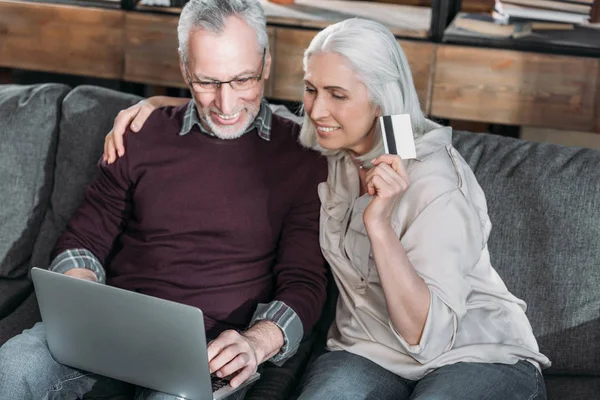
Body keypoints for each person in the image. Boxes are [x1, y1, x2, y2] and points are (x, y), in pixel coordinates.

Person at [103, 18, 551, 400]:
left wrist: (380, 225)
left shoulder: (436, 182)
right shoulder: (327, 145)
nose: (317, 110)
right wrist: (169, 105)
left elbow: (426, 338)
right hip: (366, 353)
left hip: (470, 353)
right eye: (311, 89)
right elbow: (248, 110)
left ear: (379, 99)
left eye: (337, 94)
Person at [0, 1, 328, 399]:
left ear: (267, 64)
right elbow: (82, 238)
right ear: (185, 67)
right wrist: (81, 295)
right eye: (207, 82)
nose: (226, 106)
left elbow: (305, 282)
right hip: (112, 332)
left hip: (210, 352)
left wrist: (258, 342)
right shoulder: (139, 132)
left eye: (243, 80)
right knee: (15, 366)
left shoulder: (301, 159)